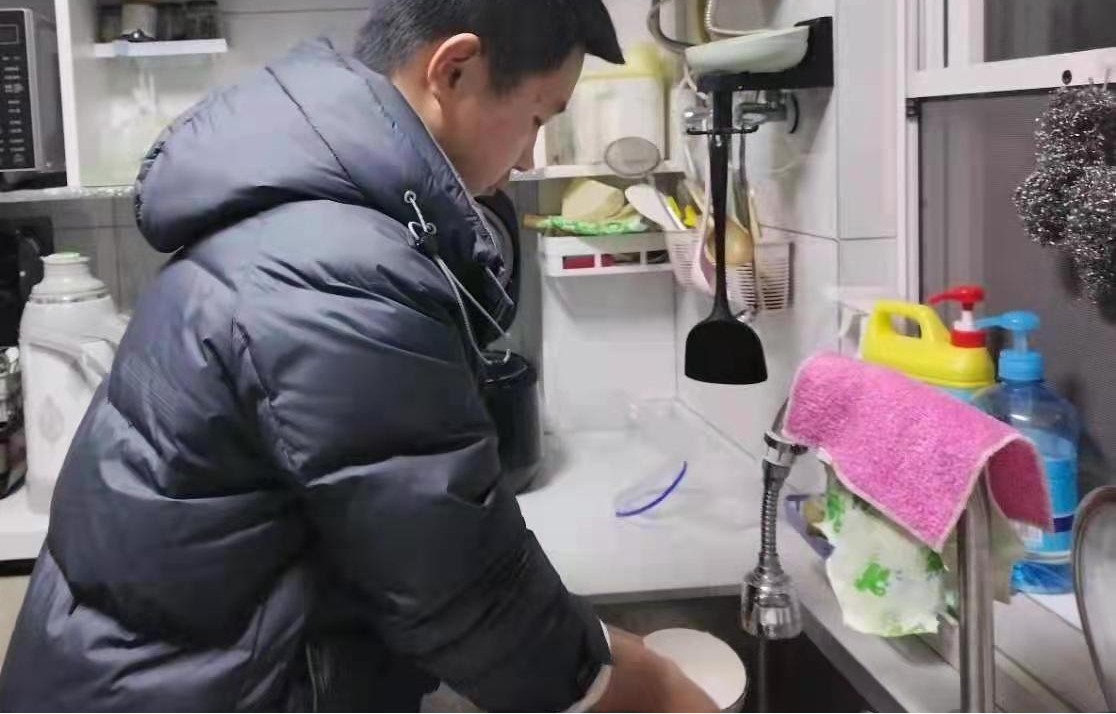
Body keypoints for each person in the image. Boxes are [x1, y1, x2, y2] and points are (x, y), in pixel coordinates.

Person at [0, 1, 719, 711]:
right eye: (537, 117)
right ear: (455, 71)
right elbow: (461, 589)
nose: (532, 155)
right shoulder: (337, 270)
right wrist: (638, 688)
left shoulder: (311, 219)